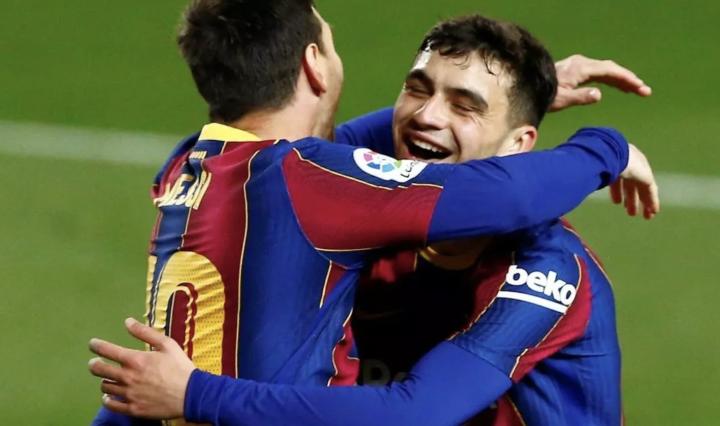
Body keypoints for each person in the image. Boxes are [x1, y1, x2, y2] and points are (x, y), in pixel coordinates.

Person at [88, 1, 657, 424]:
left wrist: (194, 395)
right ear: (315, 66)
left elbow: (418, 412)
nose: (427, 115)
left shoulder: (546, 268)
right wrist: (601, 145)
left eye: (464, 105)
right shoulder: (350, 218)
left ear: (520, 146)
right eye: (417, 89)